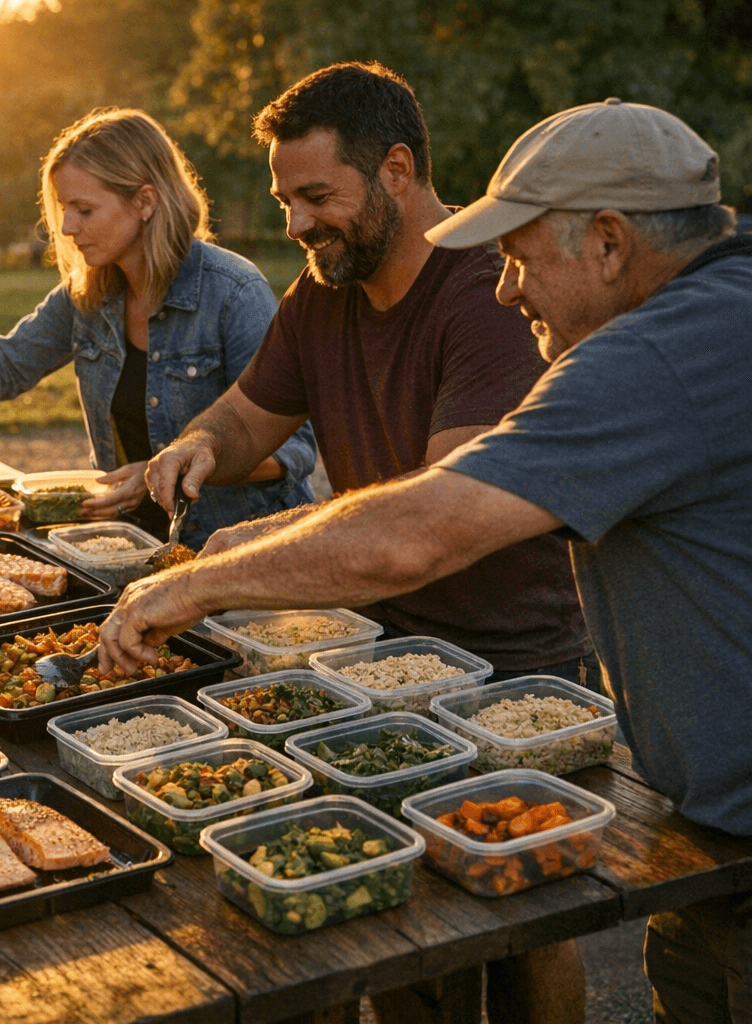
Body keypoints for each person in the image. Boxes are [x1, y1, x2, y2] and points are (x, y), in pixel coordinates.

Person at [102, 98, 750, 1024]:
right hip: (715, 833)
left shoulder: (658, 354)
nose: (507, 290)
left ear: (610, 243)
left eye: (522, 258)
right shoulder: (708, 313)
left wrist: (197, 584)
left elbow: (424, 529)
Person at [137, 62, 592, 1023]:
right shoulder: (322, 292)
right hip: (377, 657)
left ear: (396, 170)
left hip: (510, 661)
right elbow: (249, 416)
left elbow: (429, 521)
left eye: (315, 196)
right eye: (285, 201)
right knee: (402, 927)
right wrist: (200, 444)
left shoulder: (490, 293)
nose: (296, 224)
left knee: (527, 915)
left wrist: (231, 563)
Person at [0, 108, 316, 546]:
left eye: (84, 209)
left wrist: (165, 470)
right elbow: (7, 362)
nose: (67, 227)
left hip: (241, 545)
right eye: (64, 209)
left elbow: (294, 450)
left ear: (145, 202)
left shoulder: (233, 293)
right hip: (133, 541)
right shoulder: (88, 294)